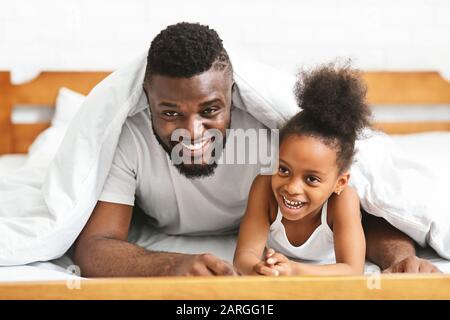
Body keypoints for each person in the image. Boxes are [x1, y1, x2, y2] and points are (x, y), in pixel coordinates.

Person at [73, 22, 440, 277]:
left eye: (210, 110)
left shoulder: (277, 133)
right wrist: (172, 265)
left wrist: (401, 258)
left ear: (232, 96)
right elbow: (95, 246)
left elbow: (357, 206)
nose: (192, 132)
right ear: (146, 101)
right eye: (169, 112)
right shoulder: (130, 137)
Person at [234, 64, 368, 275]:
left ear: (339, 183)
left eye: (312, 179)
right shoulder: (263, 187)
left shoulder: (343, 201)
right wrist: (258, 268)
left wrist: (294, 271)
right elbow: (244, 256)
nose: (292, 187)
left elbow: (352, 270)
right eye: (284, 170)